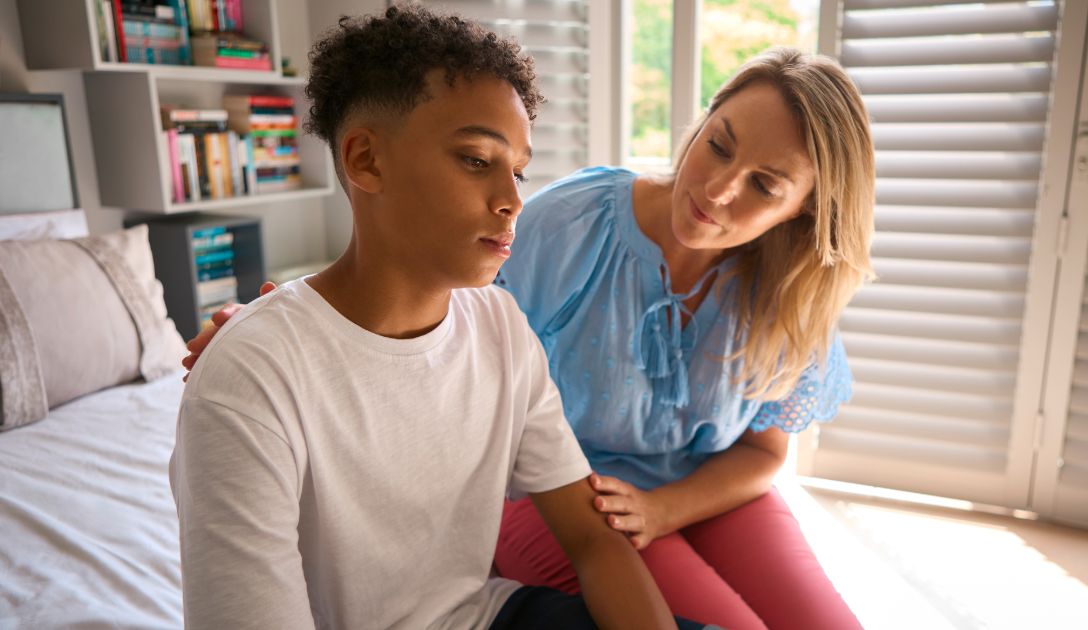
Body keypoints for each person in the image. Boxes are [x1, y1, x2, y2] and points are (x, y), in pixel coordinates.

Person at [188, 47, 874, 629]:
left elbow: (761, 451)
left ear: (804, 207)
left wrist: (666, 510)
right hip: (575, 494)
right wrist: (284, 319)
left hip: (688, 490)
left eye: (764, 184)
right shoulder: (570, 226)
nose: (720, 188)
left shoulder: (788, 287)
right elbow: (422, 280)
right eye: (718, 143)